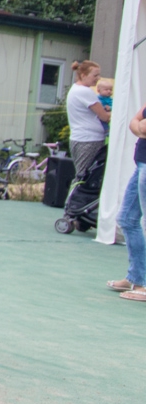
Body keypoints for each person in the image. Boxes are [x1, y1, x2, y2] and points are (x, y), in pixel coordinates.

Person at [108, 103, 146, 303]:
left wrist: (140, 126)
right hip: (141, 163)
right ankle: (136, 278)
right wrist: (139, 126)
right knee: (128, 219)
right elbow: (135, 122)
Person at [66, 60, 111, 183]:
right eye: (95, 75)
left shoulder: (76, 89)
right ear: (83, 75)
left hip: (80, 138)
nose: (98, 78)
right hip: (89, 140)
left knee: (83, 174)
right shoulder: (85, 91)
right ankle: (74, 201)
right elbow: (105, 117)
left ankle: (75, 201)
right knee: (84, 177)